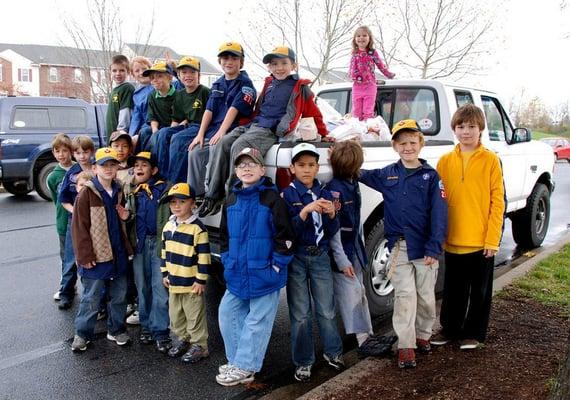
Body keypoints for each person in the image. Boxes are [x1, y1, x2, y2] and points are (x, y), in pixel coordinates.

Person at [199, 46, 327, 217]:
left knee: (239, 146)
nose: (278, 67)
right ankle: (213, 196)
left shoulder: (300, 87)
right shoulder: (269, 83)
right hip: (255, 124)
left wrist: (324, 134)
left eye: (283, 63)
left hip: (270, 130)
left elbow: (314, 113)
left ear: (293, 65)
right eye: (274, 64)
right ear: (269, 67)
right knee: (224, 142)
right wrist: (246, 122)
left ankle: (234, 196)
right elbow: (259, 107)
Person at [359, 119, 447, 368]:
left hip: (425, 248)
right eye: (402, 143)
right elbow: (359, 173)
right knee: (405, 296)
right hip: (399, 247)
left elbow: (439, 214)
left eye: (412, 142)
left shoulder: (431, 177)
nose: (408, 147)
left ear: (421, 144)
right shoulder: (387, 174)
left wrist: (434, 247)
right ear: (394, 145)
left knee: (426, 296)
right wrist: (343, 155)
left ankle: (423, 334)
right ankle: (406, 345)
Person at [216, 148, 295, 386]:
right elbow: (224, 236)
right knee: (227, 313)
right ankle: (238, 361)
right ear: (236, 171)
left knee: (256, 322)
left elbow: (286, 237)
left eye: (252, 164)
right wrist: (227, 260)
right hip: (237, 273)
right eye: (241, 165)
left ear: (263, 169)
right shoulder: (230, 199)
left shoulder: (272, 199)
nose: (247, 169)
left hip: (265, 274)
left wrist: (277, 266)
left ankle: (246, 366)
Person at [431, 104, 505, 351]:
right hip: (453, 239)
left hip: (481, 241)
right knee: (453, 289)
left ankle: (474, 332)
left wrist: (492, 239)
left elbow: (497, 202)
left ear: (480, 129)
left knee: (480, 291)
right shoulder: (445, 161)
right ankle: (450, 328)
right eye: (461, 127)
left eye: (471, 127)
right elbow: (437, 201)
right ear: (454, 129)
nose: (466, 131)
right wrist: (438, 235)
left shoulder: (491, 160)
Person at [281, 142, 344, 382]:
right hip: (297, 256)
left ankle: (333, 352)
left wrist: (331, 215)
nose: (306, 170)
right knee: (300, 314)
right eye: (301, 165)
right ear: (292, 168)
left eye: (311, 165)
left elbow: (331, 229)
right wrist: (305, 211)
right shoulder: (288, 195)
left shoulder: (326, 193)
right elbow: (287, 231)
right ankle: (304, 361)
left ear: (318, 168)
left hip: (320, 256)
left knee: (327, 310)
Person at [326, 140, 388, 357]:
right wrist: (342, 261)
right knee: (351, 295)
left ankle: (369, 335)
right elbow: (333, 233)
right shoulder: (335, 191)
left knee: (360, 292)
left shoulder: (351, 182)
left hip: (355, 250)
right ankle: (363, 341)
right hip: (343, 256)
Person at [70, 147, 133, 352]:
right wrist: (84, 256)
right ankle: (82, 334)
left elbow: (123, 219)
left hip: (118, 254)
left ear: (117, 167)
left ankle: (116, 329)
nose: (108, 168)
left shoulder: (119, 190)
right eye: (103, 165)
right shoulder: (86, 193)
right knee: (91, 297)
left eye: (112, 164)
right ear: (95, 167)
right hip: (96, 256)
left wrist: (126, 216)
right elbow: (78, 228)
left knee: (119, 295)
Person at [187, 42, 256, 200]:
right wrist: (200, 134)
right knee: (195, 151)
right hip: (214, 129)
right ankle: (195, 195)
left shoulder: (246, 84)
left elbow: (234, 109)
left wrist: (221, 132)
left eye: (234, 58)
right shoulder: (218, 83)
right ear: (219, 62)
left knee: (215, 146)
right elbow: (209, 110)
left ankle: (214, 195)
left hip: (234, 129)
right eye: (225, 58)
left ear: (241, 62)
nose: (229, 62)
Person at [124, 152, 171, 352]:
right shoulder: (131, 192)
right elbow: (128, 219)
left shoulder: (164, 190)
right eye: (136, 165)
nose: (139, 168)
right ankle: (146, 327)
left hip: (159, 244)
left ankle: (161, 331)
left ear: (154, 170)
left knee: (160, 289)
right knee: (143, 289)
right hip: (140, 245)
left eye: (144, 165)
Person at [160, 183, 210, 363]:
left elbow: (204, 257)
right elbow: (164, 251)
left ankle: (199, 345)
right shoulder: (168, 226)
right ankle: (183, 339)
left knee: (194, 314)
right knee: (176, 314)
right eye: (173, 202)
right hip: (174, 282)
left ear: (193, 203)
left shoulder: (197, 228)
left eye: (182, 201)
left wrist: (201, 280)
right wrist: (165, 273)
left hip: (191, 284)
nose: (177, 206)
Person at [57, 135, 95, 310]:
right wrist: (76, 212)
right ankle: (66, 293)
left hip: (96, 220)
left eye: (85, 152)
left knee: (94, 258)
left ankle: (95, 297)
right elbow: (63, 199)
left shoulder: (97, 169)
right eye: (78, 153)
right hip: (76, 220)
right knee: (71, 258)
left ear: (91, 152)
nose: (82, 156)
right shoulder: (71, 173)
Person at [159, 56, 210, 183]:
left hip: (201, 127)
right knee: (163, 133)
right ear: (179, 75)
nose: (188, 75)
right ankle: (162, 176)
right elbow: (176, 119)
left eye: (192, 72)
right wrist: (170, 132)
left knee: (178, 139)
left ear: (199, 75)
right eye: (184, 72)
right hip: (188, 125)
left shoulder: (205, 91)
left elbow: (211, 113)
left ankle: (174, 181)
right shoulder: (180, 94)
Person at [47, 133, 74, 306]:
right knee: (66, 259)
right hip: (64, 223)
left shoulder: (78, 169)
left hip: (82, 221)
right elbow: (56, 199)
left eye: (65, 150)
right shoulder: (53, 176)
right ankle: (67, 290)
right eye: (57, 151)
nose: (61, 154)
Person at [349, 26, 395, 120]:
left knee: (368, 112)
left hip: (370, 86)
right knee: (356, 113)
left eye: (364, 35)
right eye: (358, 36)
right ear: (355, 39)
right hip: (357, 86)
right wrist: (352, 76)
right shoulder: (354, 53)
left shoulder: (372, 53)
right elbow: (351, 68)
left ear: (369, 38)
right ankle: (358, 130)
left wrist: (388, 74)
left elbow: (380, 65)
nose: (361, 38)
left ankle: (368, 130)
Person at [136, 61, 176, 152]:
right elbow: (152, 117)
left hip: (174, 127)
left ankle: (156, 163)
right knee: (144, 132)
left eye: (159, 76)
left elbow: (177, 120)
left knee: (161, 135)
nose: (155, 80)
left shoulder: (178, 96)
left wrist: (158, 134)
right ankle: (140, 161)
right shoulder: (152, 96)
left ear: (170, 77)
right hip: (159, 126)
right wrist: (154, 130)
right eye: (152, 77)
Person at [105, 54, 135, 143]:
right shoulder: (115, 90)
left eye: (122, 70)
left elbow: (125, 111)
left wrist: (121, 131)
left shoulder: (127, 88)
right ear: (110, 72)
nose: (118, 73)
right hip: (111, 134)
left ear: (128, 72)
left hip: (119, 136)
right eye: (114, 70)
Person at [129, 56, 154, 139]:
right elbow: (136, 118)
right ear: (133, 75)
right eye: (137, 71)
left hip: (157, 125)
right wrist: (130, 136)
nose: (141, 73)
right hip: (144, 128)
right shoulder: (137, 94)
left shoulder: (159, 86)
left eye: (144, 69)